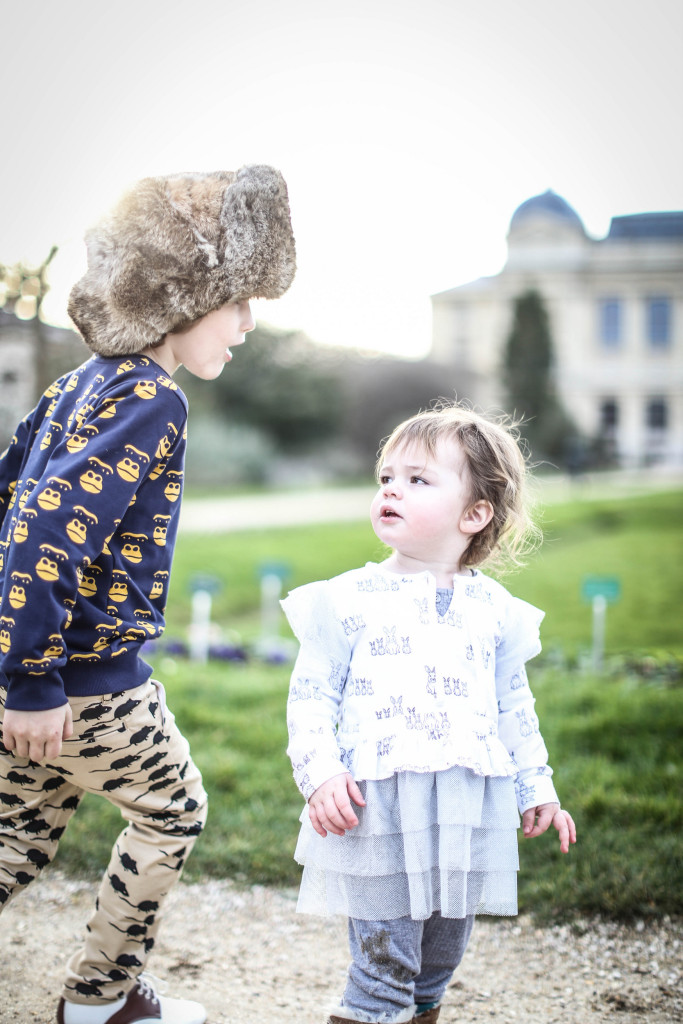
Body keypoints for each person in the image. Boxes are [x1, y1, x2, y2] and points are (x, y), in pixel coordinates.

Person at [0, 165, 295, 1024]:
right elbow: (40, 534)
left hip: (42, 675)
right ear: (181, 294)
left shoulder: (77, 385)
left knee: (17, 836)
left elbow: (6, 498)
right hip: (85, 681)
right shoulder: (151, 398)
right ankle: (102, 1000)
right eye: (236, 303)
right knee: (173, 808)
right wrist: (31, 680)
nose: (244, 326)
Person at [282, 403, 576, 1024]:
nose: (391, 488)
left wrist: (536, 785)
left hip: (468, 806)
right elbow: (311, 696)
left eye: (418, 479)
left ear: (474, 514)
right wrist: (321, 773)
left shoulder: (495, 609)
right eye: (386, 477)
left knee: (439, 962)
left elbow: (513, 705)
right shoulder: (345, 599)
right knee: (385, 966)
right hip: (378, 808)